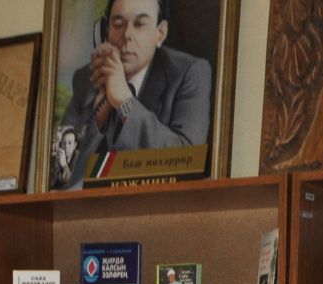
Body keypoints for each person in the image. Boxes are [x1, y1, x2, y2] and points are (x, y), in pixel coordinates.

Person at [51, 0, 213, 190]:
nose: (126, 35)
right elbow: (58, 173)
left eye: (139, 24)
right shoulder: (87, 79)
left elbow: (189, 161)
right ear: (105, 31)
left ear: (160, 33)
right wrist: (101, 108)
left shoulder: (190, 73)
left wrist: (124, 101)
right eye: (118, 25)